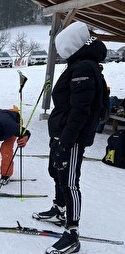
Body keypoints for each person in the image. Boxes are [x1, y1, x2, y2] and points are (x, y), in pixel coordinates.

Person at [32, 22, 107, 254]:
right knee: (56, 171)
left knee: (70, 181)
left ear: (71, 47)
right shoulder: (77, 65)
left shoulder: (84, 68)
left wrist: (66, 143)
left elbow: (80, 111)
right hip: (61, 132)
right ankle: (59, 208)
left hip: (71, 137)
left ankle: (72, 233)